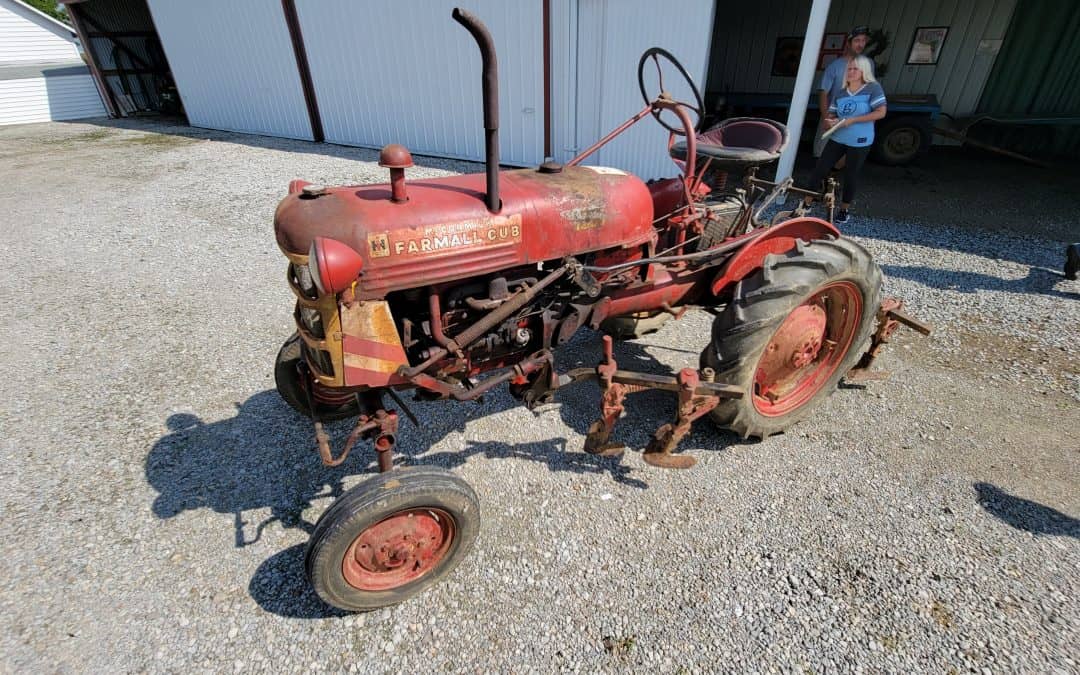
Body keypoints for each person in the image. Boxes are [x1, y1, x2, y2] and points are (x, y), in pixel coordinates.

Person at [801, 55, 886, 223]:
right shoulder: (841, 92)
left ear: (864, 72)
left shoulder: (873, 89)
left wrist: (853, 120)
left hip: (860, 140)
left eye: (855, 69)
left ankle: (844, 209)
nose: (851, 72)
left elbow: (881, 112)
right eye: (849, 69)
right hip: (838, 137)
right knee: (820, 168)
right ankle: (806, 203)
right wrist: (830, 120)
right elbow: (832, 113)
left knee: (851, 174)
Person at [814, 26, 872, 159]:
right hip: (835, 116)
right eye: (857, 40)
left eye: (863, 40)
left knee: (847, 154)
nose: (860, 44)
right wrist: (826, 117)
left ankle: (832, 177)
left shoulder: (869, 64)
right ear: (849, 43)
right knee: (823, 153)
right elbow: (823, 92)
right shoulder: (835, 66)